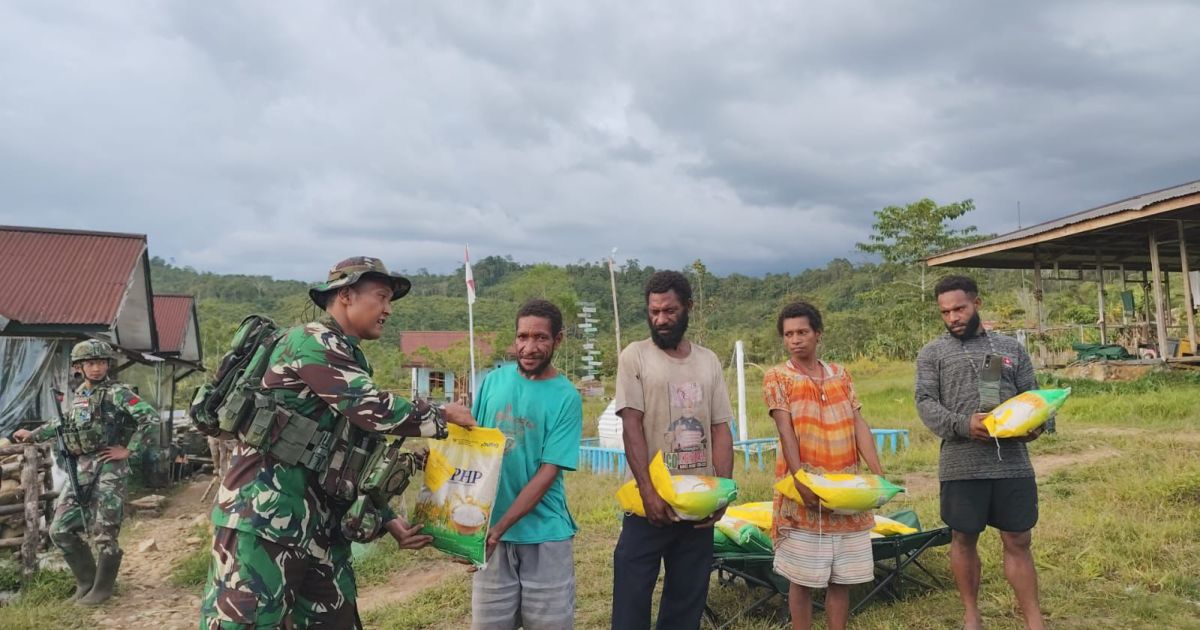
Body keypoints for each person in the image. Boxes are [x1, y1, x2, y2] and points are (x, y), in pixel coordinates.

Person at [199, 256, 477, 628]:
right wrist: (442, 416)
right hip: (263, 518)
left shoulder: (347, 357)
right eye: (381, 296)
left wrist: (386, 518)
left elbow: (355, 453)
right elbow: (370, 408)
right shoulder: (310, 340)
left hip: (321, 529)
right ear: (346, 295)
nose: (388, 310)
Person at [916, 275, 1046, 630]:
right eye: (946, 312)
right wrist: (963, 424)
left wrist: (1037, 426)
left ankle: (1034, 620)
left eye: (959, 308)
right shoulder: (932, 353)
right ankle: (971, 614)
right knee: (963, 536)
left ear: (977, 303)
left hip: (1013, 463)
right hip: (961, 464)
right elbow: (925, 403)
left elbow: (1033, 396)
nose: (953, 317)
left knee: (1019, 538)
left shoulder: (1010, 348)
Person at [612, 270, 734, 630]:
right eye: (654, 312)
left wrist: (722, 491)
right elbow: (631, 425)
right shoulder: (635, 356)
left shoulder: (708, 361)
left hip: (697, 504)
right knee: (631, 598)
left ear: (688, 308)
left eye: (669, 311)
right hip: (646, 504)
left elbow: (720, 428)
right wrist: (649, 492)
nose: (661, 320)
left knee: (686, 602)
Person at [763, 302, 884, 630]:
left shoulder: (841, 374)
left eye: (802, 332)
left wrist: (878, 475)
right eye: (788, 334)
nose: (795, 340)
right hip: (806, 488)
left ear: (818, 333)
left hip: (846, 490)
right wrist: (800, 478)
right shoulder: (778, 377)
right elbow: (785, 429)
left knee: (840, 578)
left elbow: (858, 422)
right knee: (801, 579)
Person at [14, 339, 161, 605]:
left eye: (101, 363)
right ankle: (87, 582)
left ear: (107, 365)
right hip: (82, 468)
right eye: (90, 363)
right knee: (59, 529)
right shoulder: (81, 394)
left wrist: (129, 450)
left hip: (109, 468)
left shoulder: (118, 392)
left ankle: (103, 590)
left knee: (105, 529)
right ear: (80, 367)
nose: (96, 368)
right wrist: (33, 434)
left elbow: (150, 417)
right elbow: (63, 422)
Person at [469, 298, 582, 630]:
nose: (529, 347)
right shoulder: (493, 382)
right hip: (490, 536)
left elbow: (548, 472)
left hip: (544, 537)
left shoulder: (566, 397)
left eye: (540, 338)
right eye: (522, 337)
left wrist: (499, 529)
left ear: (557, 340)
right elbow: (473, 448)